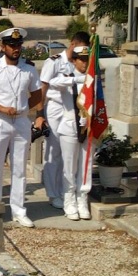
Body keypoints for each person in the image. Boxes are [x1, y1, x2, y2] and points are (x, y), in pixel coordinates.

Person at [0, 27, 44, 228]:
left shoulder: (29, 68)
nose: (16, 49)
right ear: (3, 46)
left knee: (19, 167)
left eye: (18, 45)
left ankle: (18, 210)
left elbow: (38, 96)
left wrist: (23, 109)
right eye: (12, 45)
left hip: (21, 121)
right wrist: (2, 109)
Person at [39, 31, 91, 209]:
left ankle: (66, 191)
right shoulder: (54, 61)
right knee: (54, 152)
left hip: (74, 109)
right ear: (72, 44)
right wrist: (40, 113)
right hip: (55, 107)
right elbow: (44, 85)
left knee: (70, 153)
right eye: (79, 47)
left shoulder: (81, 62)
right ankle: (53, 194)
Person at [48, 46, 93, 220]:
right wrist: (76, 80)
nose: (84, 63)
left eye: (86, 59)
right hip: (69, 126)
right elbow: (53, 83)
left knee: (85, 167)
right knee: (69, 167)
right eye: (81, 59)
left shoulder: (92, 79)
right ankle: (69, 201)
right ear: (73, 61)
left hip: (87, 127)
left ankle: (82, 200)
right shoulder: (67, 78)